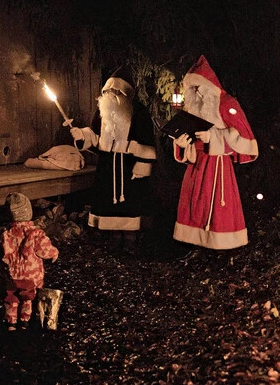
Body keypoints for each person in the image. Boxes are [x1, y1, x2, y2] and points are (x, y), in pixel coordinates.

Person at [172, 56, 258, 249]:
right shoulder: (192, 107)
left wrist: (213, 137)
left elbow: (243, 137)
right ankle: (196, 246)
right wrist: (182, 143)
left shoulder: (227, 103)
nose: (197, 93)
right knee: (195, 205)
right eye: (193, 89)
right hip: (197, 164)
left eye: (200, 88)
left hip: (217, 166)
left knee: (219, 211)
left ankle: (220, 249)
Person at [70, 65, 157, 234]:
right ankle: (113, 237)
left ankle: (131, 240)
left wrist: (143, 161)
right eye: (108, 91)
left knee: (132, 205)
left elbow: (149, 143)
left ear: (126, 94)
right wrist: (81, 135)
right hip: (108, 167)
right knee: (106, 202)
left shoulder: (138, 112)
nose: (111, 95)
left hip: (130, 167)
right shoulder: (101, 113)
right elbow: (95, 138)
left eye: (116, 92)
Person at [0, 192, 58, 331]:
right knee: (27, 298)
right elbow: (44, 250)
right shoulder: (35, 233)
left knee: (11, 296)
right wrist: (54, 253)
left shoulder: (6, 233)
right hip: (30, 275)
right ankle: (24, 321)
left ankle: (11, 322)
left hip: (12, 274)